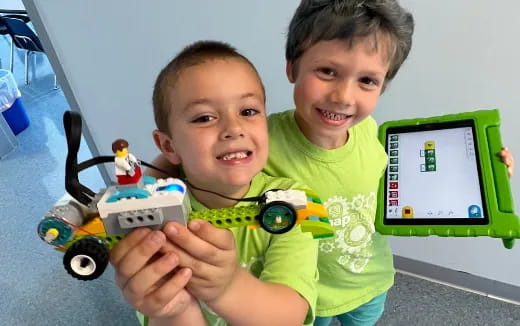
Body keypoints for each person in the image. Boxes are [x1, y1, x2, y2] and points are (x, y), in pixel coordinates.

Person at [148, 1, 515, 325]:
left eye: (367, 81)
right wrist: (142, 188)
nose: (343, 96)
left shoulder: (372, 134)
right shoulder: (259, 140)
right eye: (327, 72)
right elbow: (186, 160)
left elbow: (411, 186)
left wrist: (482, 171)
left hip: (370, 279)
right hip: (305, 292)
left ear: (382, 86)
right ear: (292, 68)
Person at [110, 40, 320, 326]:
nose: (234, 129)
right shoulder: (154, 216)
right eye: (204, 117)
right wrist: (173, 308)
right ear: (169, 146)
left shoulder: (294, 202)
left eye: (248, 112)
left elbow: (290, 316)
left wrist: (228, 287)